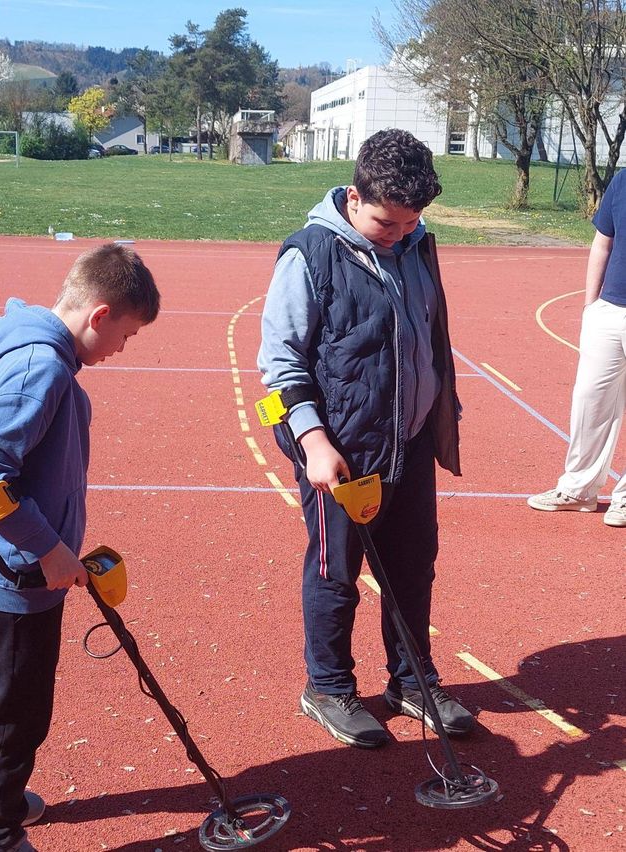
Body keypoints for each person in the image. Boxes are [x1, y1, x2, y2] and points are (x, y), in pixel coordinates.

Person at [0, 244, 160, 852]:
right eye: (127, 335)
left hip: (19, 572)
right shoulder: (43, 367)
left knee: (7, 691)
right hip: (13, 579)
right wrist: (48, 550)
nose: (121, 350)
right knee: (20, 714)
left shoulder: (48, 359)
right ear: (100, 313)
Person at [257, 128, 474, 749]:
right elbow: (280, 365)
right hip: (342, 452)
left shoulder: (416, 243)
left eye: (411, 223)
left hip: (409, 443)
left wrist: (436, 409)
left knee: (413, 564)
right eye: (388, 222)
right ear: (354, 198)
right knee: (336, 570)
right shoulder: (309, 256)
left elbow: (424, 338)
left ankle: (411, 681)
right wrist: (314, 440)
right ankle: (327, 686)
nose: (400, 233)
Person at [527, 170, 626, 527]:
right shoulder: (622, 180)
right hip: (609, 311)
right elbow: (603, 242)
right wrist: (590, 306)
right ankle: (579, 490)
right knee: (589, 401)